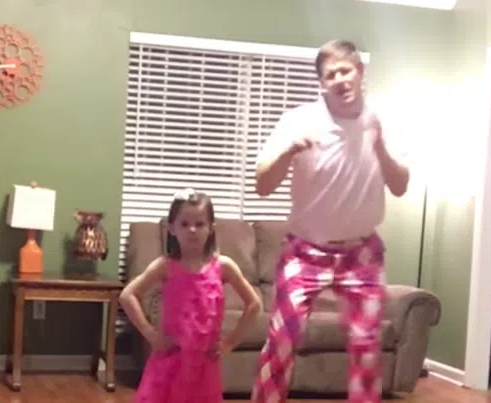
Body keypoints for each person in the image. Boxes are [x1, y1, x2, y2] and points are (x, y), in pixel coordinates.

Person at [251, 39, 410, 403]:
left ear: (360, 72)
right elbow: (262, 185)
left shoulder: (381, 121)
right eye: (330, 74)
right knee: (282, 339)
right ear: (321, 83)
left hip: (362, 254)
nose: (340, 79)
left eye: (345, 70)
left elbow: (400, 187)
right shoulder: (298, 120)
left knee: (366, 349)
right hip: (304, 251)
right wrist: (289, 149)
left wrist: (380, 148)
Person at [120, 188, 262, 403]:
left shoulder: (223, 267)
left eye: (200, 224)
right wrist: (151, 334)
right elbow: (128, 295)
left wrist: (231, 342)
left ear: (211, 228)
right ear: (172, 228)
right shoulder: (165, 266)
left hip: (205, 365)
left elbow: (254, 304)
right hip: (169, 361)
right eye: (184, 224)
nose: (192, 230)